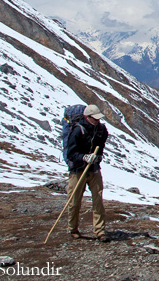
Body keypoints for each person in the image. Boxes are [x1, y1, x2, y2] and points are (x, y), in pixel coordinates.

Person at [65, 104, 109, 242]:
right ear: (87, 117)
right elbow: (71, 153)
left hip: (94, 169)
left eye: (98, 119)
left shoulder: (101, 130)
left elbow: (100, 147)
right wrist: (83, 157)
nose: (97, 121)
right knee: (74, 201)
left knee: (98, 199)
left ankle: (100, 231)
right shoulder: (78, 131)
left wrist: (98, 157)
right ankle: (73, 228)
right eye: (94, 119)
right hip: (78, 170)